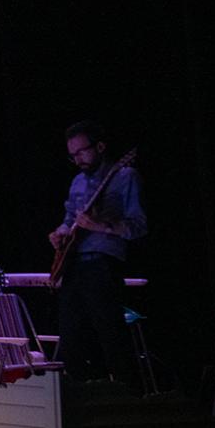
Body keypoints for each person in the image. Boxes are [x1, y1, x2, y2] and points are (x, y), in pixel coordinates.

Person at [48, 121, 146, 387]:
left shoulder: (125, 176)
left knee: (111, 334)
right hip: (74, 264)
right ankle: (81, 401)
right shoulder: (78, 181)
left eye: (82, 152)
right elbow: (69, 219)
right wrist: (60, 233)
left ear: (100, 146)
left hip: (103, 264)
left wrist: (101, 226)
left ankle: (130, 397)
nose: (77, 159)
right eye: (73, 155)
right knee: (71, 337)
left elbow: (138, 225)